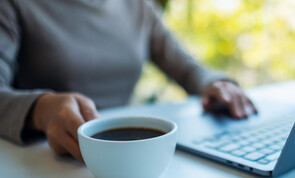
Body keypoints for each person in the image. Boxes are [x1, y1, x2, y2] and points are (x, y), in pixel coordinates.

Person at [0, 0, 257, 162]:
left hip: (129, 158)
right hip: (49, 165)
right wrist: (40, 109)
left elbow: (184, 66)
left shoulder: (138, 6)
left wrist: (215, 82)